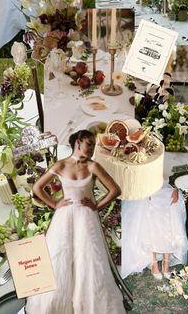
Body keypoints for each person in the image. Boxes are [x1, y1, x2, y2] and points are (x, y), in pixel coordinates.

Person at [25, 130, 126, 314]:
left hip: (86, 219)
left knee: (88, 259)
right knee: (59, 258)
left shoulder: (93, 166)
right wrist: (54, 203)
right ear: (78, 143)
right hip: (63, 218)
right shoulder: (61, 165)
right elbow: (37, 187)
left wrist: (97, 205)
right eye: (89, 144)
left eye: (94, 145)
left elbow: (115, 190)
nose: (92, 149)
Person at [121, 185, 188, 280]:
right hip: (151, 187)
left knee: (169, 225)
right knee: (151, 226)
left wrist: (176, 189)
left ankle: (166, 264)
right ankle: (154, 264)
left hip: (168, 188)